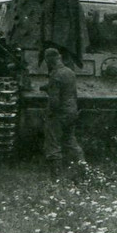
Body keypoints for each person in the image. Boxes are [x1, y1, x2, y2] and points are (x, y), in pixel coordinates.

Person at [42, 47, 87, 179]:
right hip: (72, 111)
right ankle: (83, 170)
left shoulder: (55, 75)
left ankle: (56, 178)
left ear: (49, 60)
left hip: (59, 114)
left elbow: (55, 101)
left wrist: (49, 113)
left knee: (53, 144)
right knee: (71, 142)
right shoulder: (69, 72)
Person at [40, 0, 85, 69]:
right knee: (68, 61)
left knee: (53, 62)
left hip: (55, 37)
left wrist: (47, 38)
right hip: (71, 38)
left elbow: (47, 17)